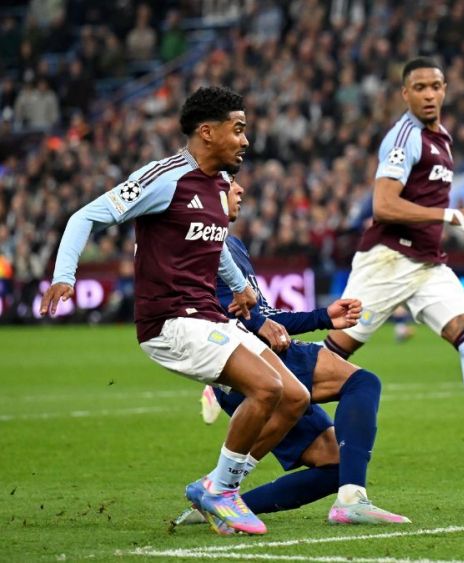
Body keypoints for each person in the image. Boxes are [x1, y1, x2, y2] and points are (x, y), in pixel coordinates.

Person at [40, 87, 311, 536]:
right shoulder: (164, 178)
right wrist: (64, 275)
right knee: (265, 388)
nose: (246, 140)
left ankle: (216, 485)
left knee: (294, 398)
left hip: (208, 315)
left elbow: (215, 241)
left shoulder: (219, 185)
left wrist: (240, 286)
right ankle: (222, 494)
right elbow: (83, 216)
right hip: (169, 321)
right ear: (207, 132)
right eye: (238, 129)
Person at [322, 57, 464, 470]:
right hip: (389, 260)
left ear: (445, 89)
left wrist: (451, 218)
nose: (429, 94)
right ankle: (247, 382)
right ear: (405, 93)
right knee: (330, 360)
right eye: (420, 88)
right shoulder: (404, 136)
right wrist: (452, 216)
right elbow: (384, 204)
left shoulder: (441, 137)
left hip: (427, 264)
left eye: (436, 86)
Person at [176, 178, 408, 531]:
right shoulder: (199, 247)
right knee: (362, 383)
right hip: (251, 360)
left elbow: (266, 319)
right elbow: (214, 314)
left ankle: (214, 506)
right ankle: (352, 500)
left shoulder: (233, 246)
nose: (240, 190)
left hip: (260, 356)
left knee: (334, 464)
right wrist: (255, 327)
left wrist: (322, 317)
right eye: (231, 186)